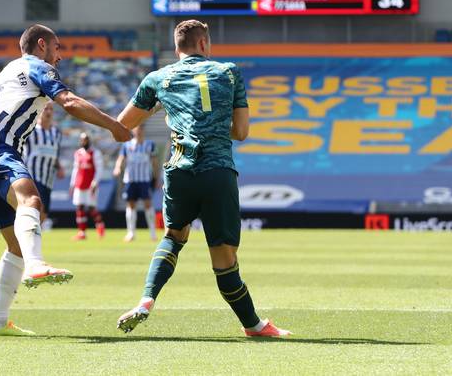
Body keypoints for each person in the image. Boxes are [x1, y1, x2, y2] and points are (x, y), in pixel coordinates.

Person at [0, 24, 131, 337]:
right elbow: (70, 102)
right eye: (57, 47)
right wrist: (113, 126)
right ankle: (36, 266)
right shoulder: (38, 67)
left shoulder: (3, 76)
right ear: (41, 45)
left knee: (14, 245)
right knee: (31, 201)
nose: (59, 56)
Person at [114, 20, 291, 337]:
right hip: (217, 171)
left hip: (180, 171)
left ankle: (146, 300)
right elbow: (242, 132)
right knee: (224, 260)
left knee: (173, 237)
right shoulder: (229, 72)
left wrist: (159, 107)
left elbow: (123, 126)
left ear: (176, 48)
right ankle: (254, 325)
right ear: (205, 45)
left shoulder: (158, 78)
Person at [113, 125, 159, 242]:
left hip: (144, 179)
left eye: (140, 130)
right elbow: (121, 158)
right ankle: (131, 233)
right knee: (131, 205)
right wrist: (118, 168)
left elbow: (154, 162)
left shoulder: (149, 145)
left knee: (148, 204)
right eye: (137, 130)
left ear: (143, 131)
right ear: (133, 131)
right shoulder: (127, 145)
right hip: (130, 179)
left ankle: (153, 233)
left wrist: (156, 178)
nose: (139, 132)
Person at [22, 101, 64, 226]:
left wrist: (59, 167)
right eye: (46, 109)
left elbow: (54, 153)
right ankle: (25, 239)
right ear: (40, 110)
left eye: (51, 109)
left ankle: (26, 234)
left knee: (44, 213)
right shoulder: (31, 130)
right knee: (36, 207)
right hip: (33, 175)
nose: (49, 112)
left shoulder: (56, 133)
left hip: (48, 179)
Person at [69, 132, 106, 240]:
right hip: (79, 184)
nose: (84, 141)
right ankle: (82, 232)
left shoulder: (95, 153)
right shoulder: (78, 153)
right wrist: (72, 184)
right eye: (82, 139)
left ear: (89, 140)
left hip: (90, 185)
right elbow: (75, 169)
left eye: (86, 139)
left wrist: (95, 181)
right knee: (79, 207)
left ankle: (100, 227)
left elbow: (99, 169)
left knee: (91, 208)